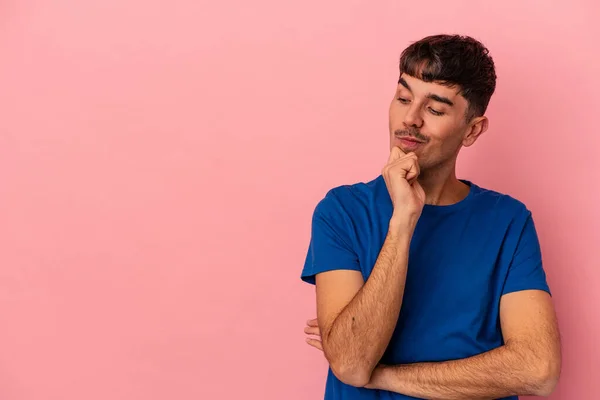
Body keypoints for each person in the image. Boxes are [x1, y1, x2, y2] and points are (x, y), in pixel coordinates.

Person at [300, 34, 561, 400]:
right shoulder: (341, 211)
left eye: (435, 110)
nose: (410, 119)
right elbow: (352, 363)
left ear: (472, 130)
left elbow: (538, 371)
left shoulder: (508, 222)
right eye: (403, 98)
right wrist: (403, 222)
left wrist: (383, 376)